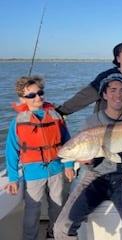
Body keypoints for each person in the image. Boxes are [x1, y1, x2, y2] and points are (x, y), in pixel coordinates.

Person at [54, 73, 122, 240]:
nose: (118, 94)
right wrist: (89, 161)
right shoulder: (90, 122)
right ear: (105, 94)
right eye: (113, 90)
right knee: (61, 227)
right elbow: (89, 164)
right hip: (95, 178)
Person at [4, 75, 74, 240]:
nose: (38, 97)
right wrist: (13, 178)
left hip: (57, 168)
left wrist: (69, 165)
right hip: (33, 173)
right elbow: (11, 151)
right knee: (32, 211)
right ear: (22, 99)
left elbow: (69, 143)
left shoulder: (56, 116)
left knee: (57, 206)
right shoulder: (18, 122)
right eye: (31, 95)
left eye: (40, 92)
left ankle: (54, 234)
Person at [55, 41, 122, 116]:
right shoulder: (105, 77)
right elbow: (84, 97)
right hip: (103, 128)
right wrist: (61, 112)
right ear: (118, 58)